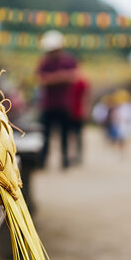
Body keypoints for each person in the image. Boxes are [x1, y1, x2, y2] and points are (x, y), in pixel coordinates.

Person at [36, 30, 77, 169]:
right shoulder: (45, 62)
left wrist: (52, 78)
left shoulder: (68, 61)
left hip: (63, 105)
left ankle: (64, 160)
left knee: (65, 135)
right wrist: (60, 77)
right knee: (45, 136)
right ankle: (42, 161)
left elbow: (72, 77)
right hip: (48, 105)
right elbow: (41, 80)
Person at [67, 72, 89, 166]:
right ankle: (71, 155)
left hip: (78, 112)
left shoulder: (81, 82)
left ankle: (78, 155)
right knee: (70, 136)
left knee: (78, 135)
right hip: (68, 112)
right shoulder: (67, 82)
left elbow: (86, 96)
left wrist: (86, 109)